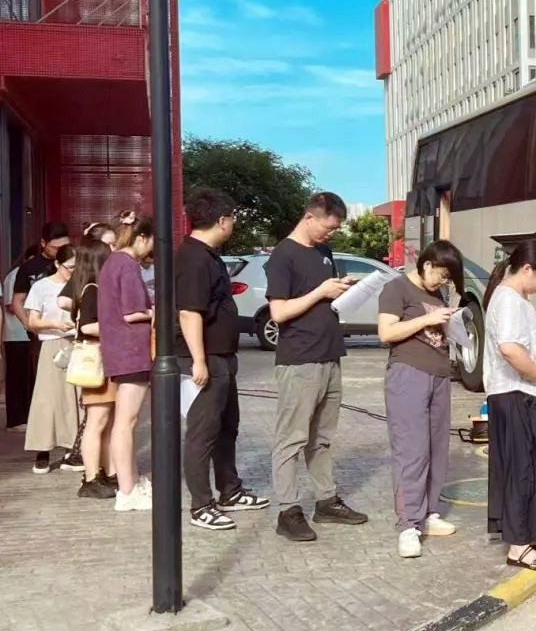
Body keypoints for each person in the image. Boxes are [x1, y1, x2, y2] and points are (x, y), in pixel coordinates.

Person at [268, 192, 368, 542]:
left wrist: (342, 291)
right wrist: (321, 292)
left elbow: (327, 299)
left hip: (330, 354)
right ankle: (288, 510)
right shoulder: (283, 255)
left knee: (322, 438)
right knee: (291, 438)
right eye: (328, 227)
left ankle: (326, 501)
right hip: (300, 360)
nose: (331, 234)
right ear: (309, 217)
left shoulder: (324, 252)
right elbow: (279, 312)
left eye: (336, 229)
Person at [177, 188, 268, 531]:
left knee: (227, 427)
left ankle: (230, 489)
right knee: (202, 433)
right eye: (232, 218)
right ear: (222, 220)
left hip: (224, 356)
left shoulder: (209, 255)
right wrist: (199, 360)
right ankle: (201, 505)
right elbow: (189, 312)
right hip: (206, 359)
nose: (233, 224)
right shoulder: (192, 258)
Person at [483, 239, 536, 573]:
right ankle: (519, 546)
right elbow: (510, 348)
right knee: (522, 469)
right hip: (520, 395)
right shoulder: (509, 300)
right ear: (528, 269)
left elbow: (522, 343)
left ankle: (532, 534)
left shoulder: (513, 299)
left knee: (531, 465)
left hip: (520, 394)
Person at [377, 240, 464, 558]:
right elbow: (386, 333)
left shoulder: (436, 294)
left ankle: (428, 513)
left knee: (436, 448)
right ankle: (408, 525)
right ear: (427, 265)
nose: (443, 282)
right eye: (442, 275)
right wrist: (427, 320)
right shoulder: (396, 288)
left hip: (439, 374)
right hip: (409, 373)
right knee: (411, 450)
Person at [99, 214, 155, 512]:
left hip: (119, 350)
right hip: (132, 351)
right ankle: (127, 490)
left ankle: (130, 482)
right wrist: (155, 311)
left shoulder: (113, 262)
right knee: (126, 422)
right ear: (142, 237)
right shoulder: (127, 264)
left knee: (124, 422)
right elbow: (132, 312)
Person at [64, 239, 119, 498]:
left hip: (102, 361)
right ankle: (91, 477)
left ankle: (105, 473)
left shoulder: (88, 288)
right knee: (98, 421)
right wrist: (119, 326)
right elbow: (86, 326)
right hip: (97, 362)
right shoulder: (93, 290)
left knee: (105, 421)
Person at [24, 244, 80, 474]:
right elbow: (33, 322)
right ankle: (42, 450)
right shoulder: (42, 287)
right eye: (69, 267)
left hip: (77, 344)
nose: (72, 272)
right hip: (52, 343)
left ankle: (72, 448)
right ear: (58, 264)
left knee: (74, 399)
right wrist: (56, 324)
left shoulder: (81, 285)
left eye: (77, 267)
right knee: (47, 399)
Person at [11, 223, 71, 434]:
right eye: (55, 248)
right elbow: (17, 301)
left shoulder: (73, 263)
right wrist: (29, 324)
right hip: (42, 335)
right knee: (45, 384)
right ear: (44, 243)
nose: (60, 251)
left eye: (64, 246)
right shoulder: (29, 268)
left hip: (71, 334)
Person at [3, 247, 37, 432]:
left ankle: (26, 417)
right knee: (17, 379)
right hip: (16, 335)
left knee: (27, 380)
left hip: (28, 336)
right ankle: (15, 420)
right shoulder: (16, 274)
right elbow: (11, 305)